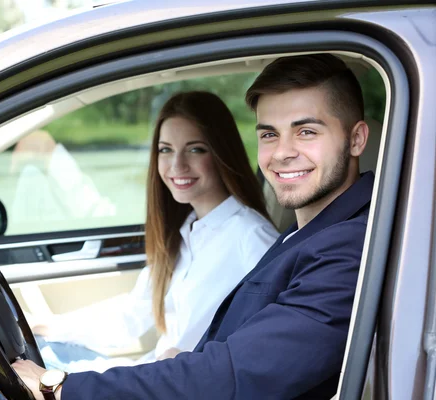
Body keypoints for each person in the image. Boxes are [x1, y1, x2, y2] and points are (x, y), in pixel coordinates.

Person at [11, 52, 374, 400]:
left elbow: (233, 372)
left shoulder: (348, 247)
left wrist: (59, 388)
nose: (282, 152)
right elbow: (144, 319)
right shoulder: (298, 237)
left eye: (306, 132)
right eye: (268, 134)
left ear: (356, 139)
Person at [27, 91, 279, 373]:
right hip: (155, 374)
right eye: (166, 150)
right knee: (38, 352)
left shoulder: (251, 236)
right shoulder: (186, 231)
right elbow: (133, 316)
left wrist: (190, 358)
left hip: (184, 382)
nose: (177, 165)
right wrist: (54, 325)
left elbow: (265, 342)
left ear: (222, 152)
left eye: (195, 149)